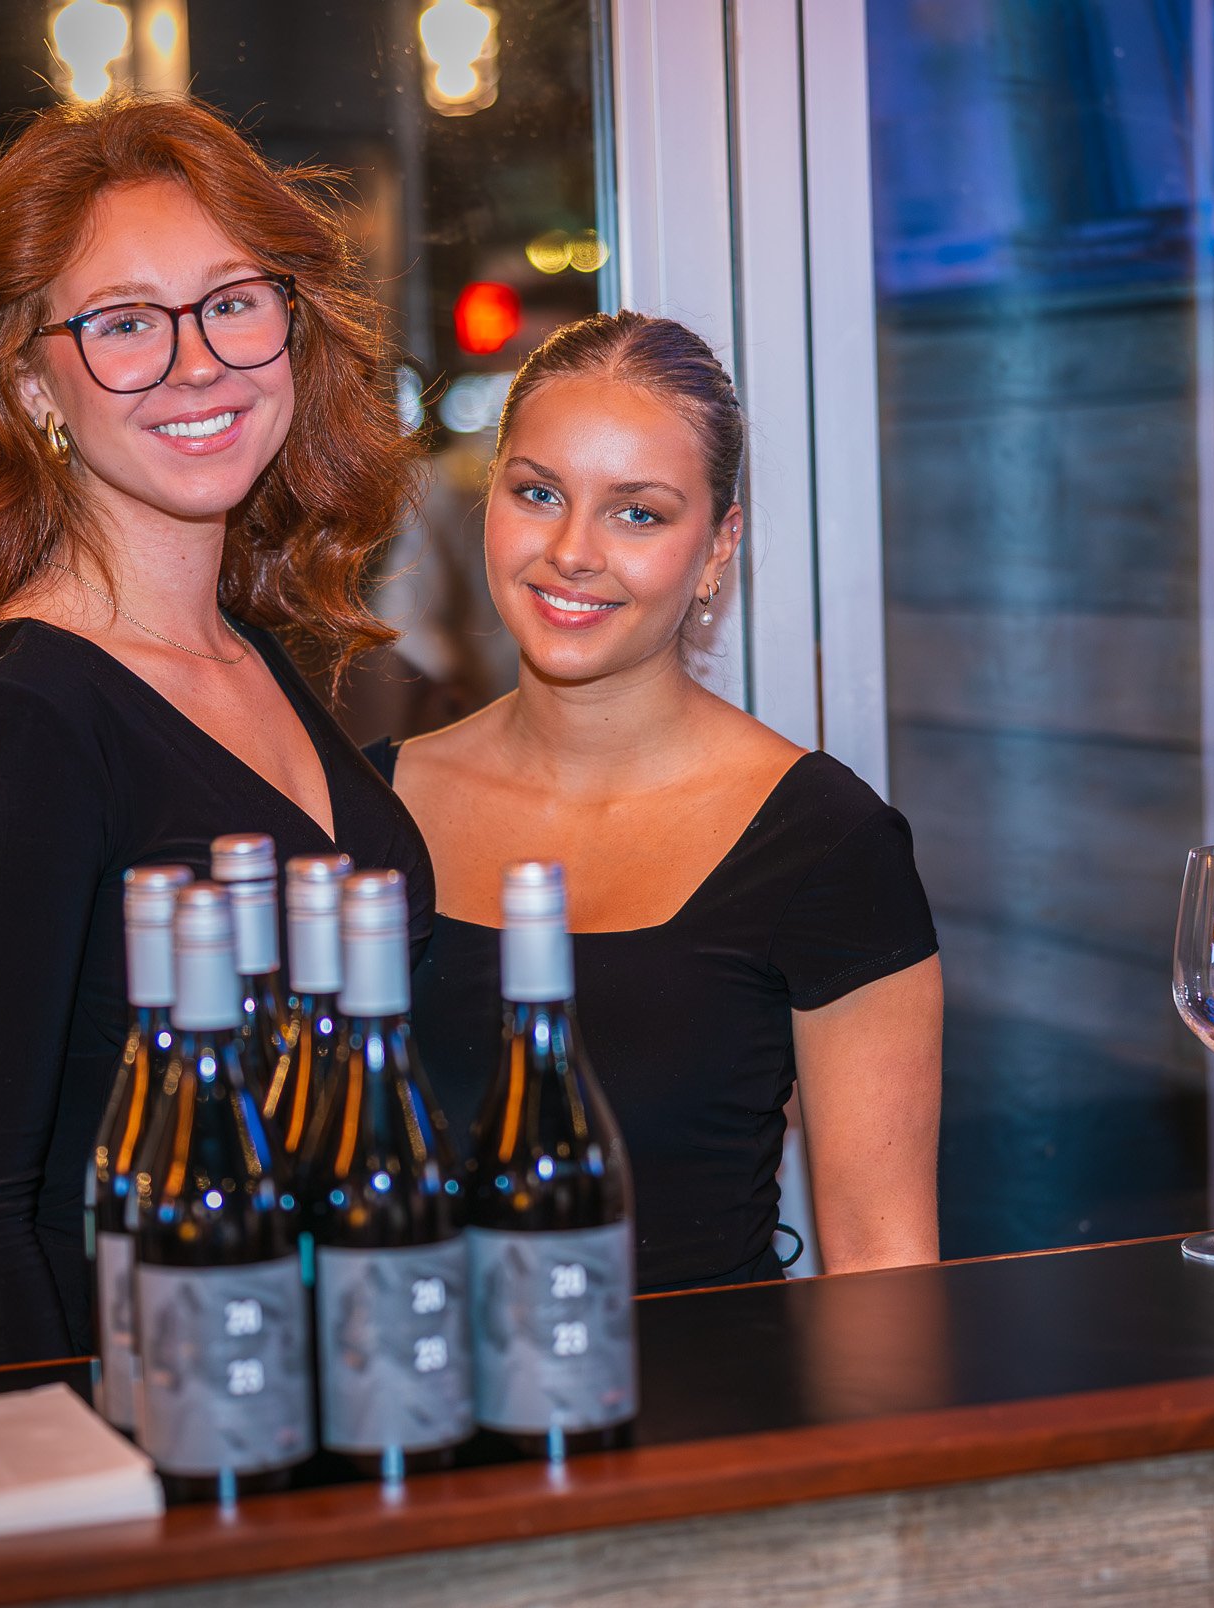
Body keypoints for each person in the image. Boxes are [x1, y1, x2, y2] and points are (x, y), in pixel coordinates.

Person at [0, 97, 431, 1371]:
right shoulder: (17, 719)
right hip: (162, 1449)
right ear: (29, 378)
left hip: (343, 1408)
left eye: (233, 301)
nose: (198, 363)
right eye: (124, 323)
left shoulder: (249, 661)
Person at [370, 312, 942, 1293]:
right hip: (407, 1425)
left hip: (704, 1430)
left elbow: (884, 1273)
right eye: (538, 493)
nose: (572, 551)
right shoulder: (370, 804)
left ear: (717, 547)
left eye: (637, 512)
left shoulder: (825, 844)